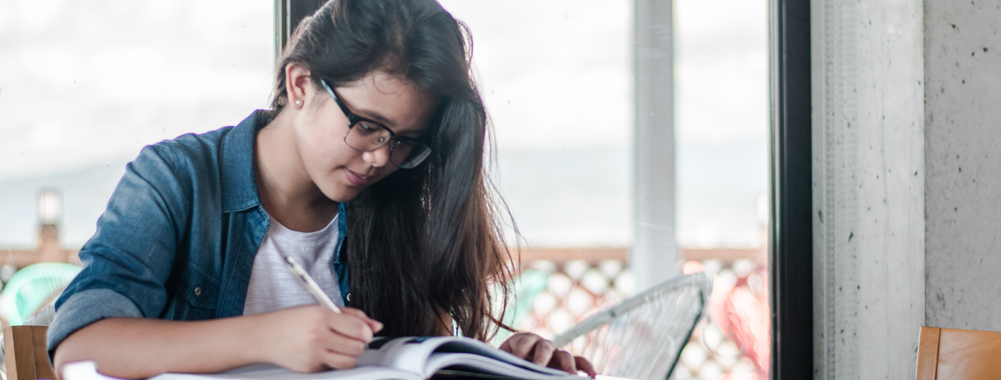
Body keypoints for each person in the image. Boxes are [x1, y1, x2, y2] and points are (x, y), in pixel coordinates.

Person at [48, 0, 596, 378]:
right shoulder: (178, 180)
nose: (382, 156)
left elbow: (420, 359)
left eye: (405, 141)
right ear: (301, 83)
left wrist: (502, 364)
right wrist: (265, 339)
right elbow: (79, 346)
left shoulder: (393, 206)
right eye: (367, 125)